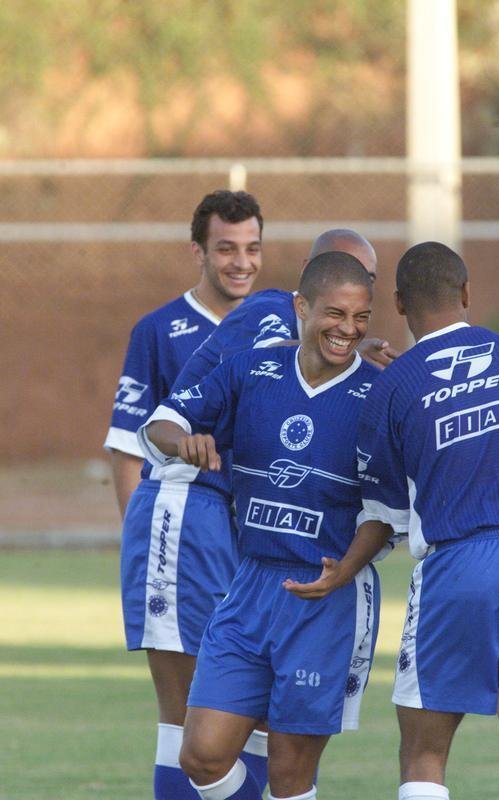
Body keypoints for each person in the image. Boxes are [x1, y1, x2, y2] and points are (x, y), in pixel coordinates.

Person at [284, 242, 499, 800]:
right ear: (466, 293)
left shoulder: (393, 387)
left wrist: (341, 571)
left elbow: (383, 514)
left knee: (424, 750)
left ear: (397, 304)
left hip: (457, 566)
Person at [139, 252, 384, 800]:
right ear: (301, 307)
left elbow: (389, 512)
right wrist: (187, 443)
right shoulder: (253, 368)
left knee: (290, 771)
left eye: (361, 317)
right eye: (335, 314)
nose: (348, 329)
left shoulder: (377, 395)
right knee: (200, 753)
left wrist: (345, 570)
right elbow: (162, 423)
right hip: (250, 585)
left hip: (324, 595)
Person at [104, 189, 266, 800]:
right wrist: (143, 546)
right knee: (189, 713)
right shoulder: (159, 330)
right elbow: (126, 445)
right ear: (198, 251)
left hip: (249, 542)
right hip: (183, 528)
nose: (241, 262)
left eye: (252, 248)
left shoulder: (278, 331)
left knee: (246, 710)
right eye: (226, 248)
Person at [173, 228, 398, 390]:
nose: (354, 285)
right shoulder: (266, 309)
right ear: (308, 270)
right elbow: (271, 353)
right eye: (342, 272)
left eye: (366, 278)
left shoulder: (331, 340)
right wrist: (352, 354)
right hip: (183, 449)